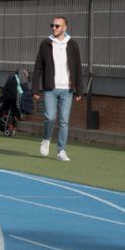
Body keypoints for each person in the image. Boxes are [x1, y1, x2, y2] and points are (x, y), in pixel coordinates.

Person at [31, 15, 84, 162]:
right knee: (50, 117)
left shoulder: (72, 44)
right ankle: (46, 139)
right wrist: (35, 89)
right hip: (50, 89)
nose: (54, 28)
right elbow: (38, 68)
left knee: (64, 121)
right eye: (52, 25)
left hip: (67, 90)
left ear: (64, 28)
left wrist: (79, 89)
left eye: (57, 26)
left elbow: (77, 67)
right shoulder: (46, 44)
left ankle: (61, 151)